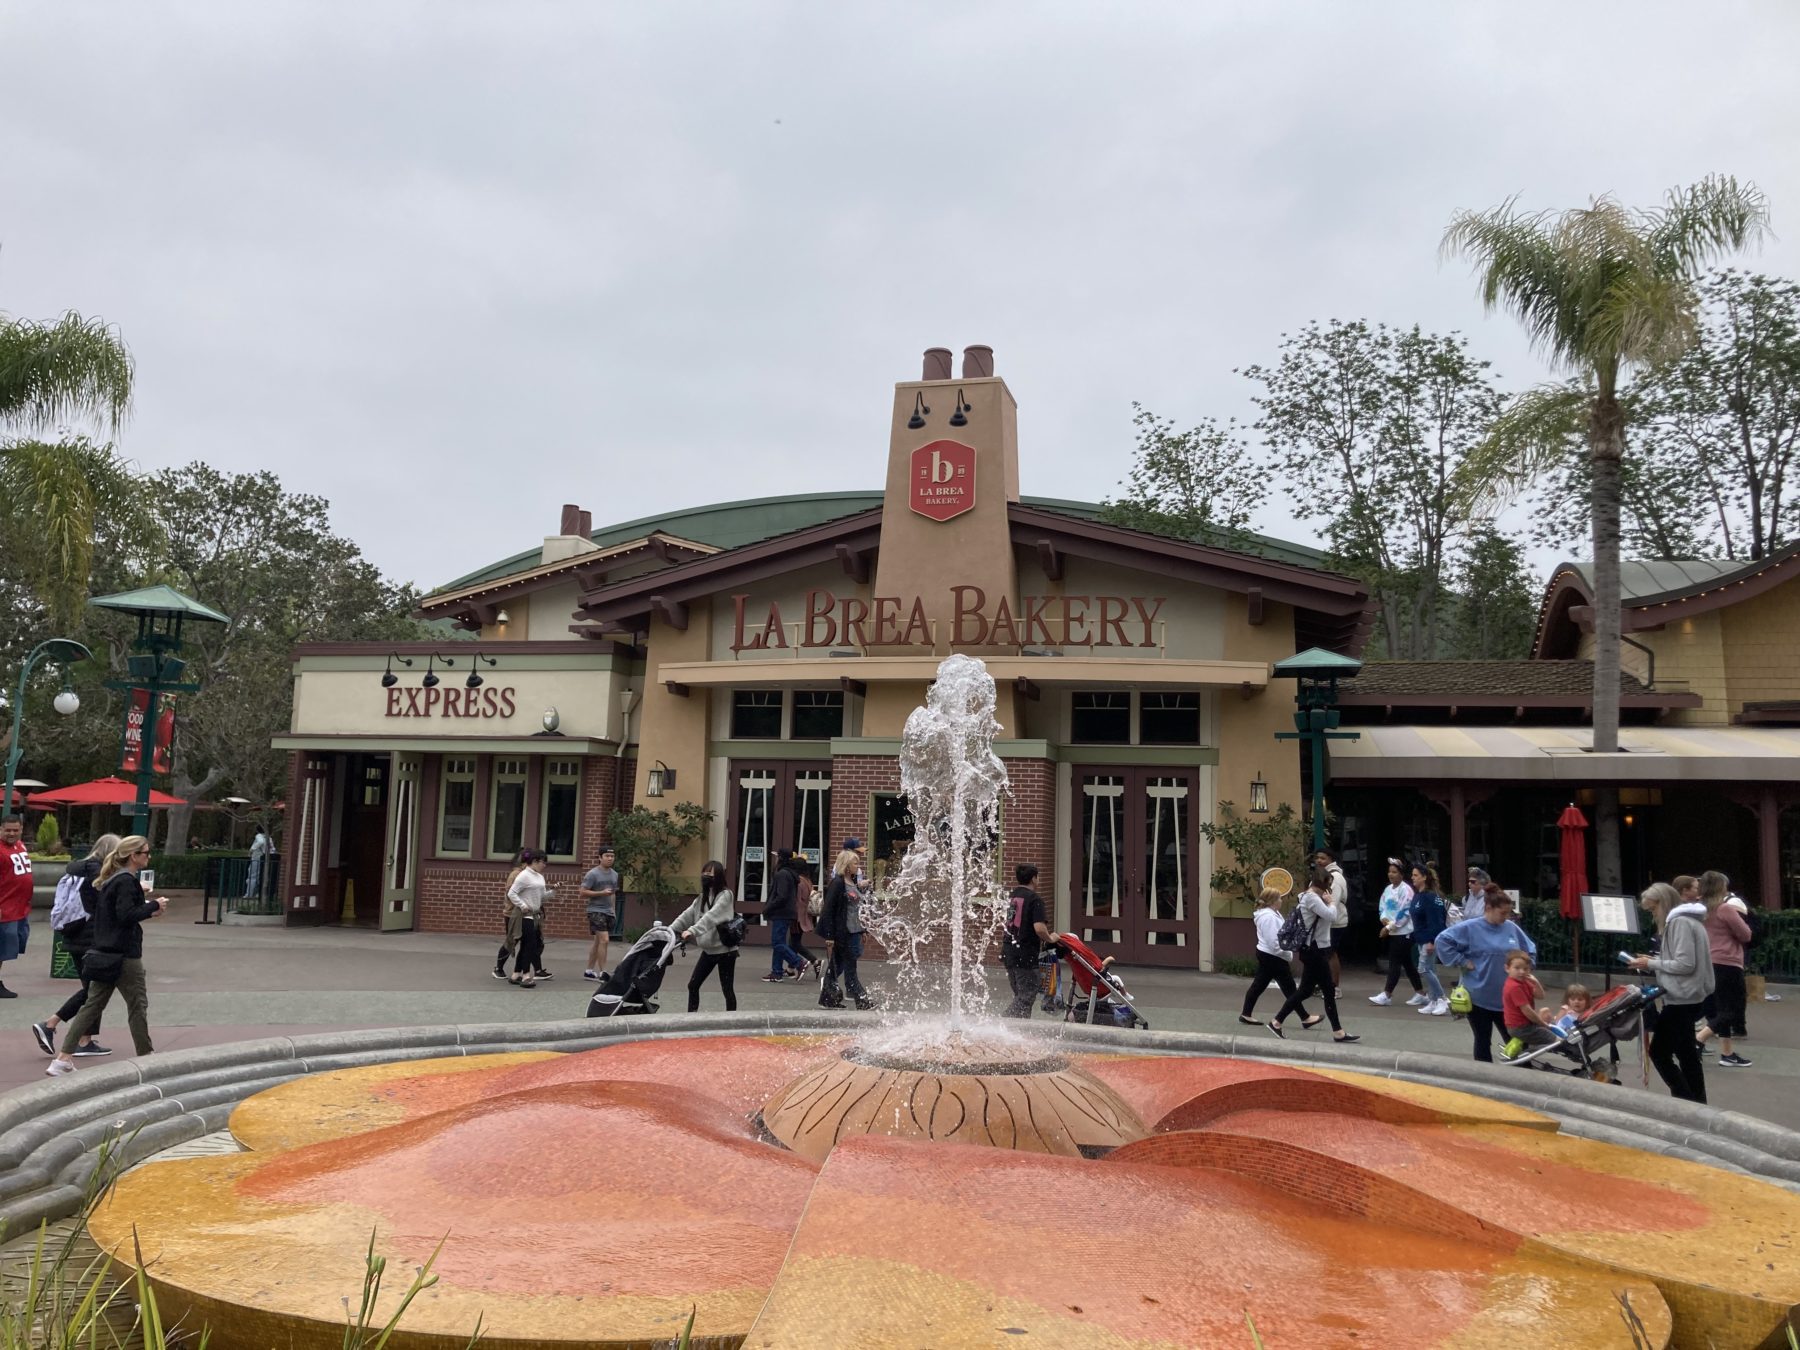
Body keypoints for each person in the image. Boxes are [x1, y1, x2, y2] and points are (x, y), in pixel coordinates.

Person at [47, 836, 168, 1075]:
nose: (149, 856)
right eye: (145, 852)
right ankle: (146, 1056)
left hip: (103, 952)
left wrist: (146, 909)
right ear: (133, 856)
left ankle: (62, 1058)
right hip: (124, 955)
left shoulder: (110, 880)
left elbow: (110, 911)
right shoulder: (126, 881)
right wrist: (153, 906)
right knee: (137, 1005)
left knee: (92, 1005)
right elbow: (126, 915)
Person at [32, 834, 121, 1058]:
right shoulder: (98, 873)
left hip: (73, 934)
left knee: (93, 988)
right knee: (95, 990)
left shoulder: (76, 870)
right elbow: (107, 905)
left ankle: (83, 1038)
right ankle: (53, 1025)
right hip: (91, 938)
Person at [1629, 880, 1713, 1103]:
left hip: (1681, 997)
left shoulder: (1679, 924)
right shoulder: (1690, 922)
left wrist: (1652, 964)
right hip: (1689, 995)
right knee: (1686, 1053)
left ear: (1662, 904)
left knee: (1659, 1052)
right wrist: (1655, 960)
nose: (1653, 914)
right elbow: (1683, 961)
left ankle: (1684, 1098)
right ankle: (1697, 1100)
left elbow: (1685, 964)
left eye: (1653, 909)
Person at [1432, 883, 1536, 1062]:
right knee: (1482, 1040)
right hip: (1478, 995)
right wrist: (1462, 961)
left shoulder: (1511, 928)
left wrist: (1527, 967)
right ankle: (1483, 1080)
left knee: (1517, 1042)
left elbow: (1530, 950)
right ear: (1488, 908)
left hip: (1509, 998)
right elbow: (1442, 940)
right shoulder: (1470, 927)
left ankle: (1523, 1078)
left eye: (1508, 913)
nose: (1506, 917)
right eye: (1503, 913)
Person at [1267, 866, 1357, 1042]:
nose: (1329, 889)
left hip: (1314, 949)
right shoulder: (1312, 899)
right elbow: (1331, 915)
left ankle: (1277, 1022)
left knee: (1306, 990)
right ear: (1320, 883)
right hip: (1315, 950)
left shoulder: (1310, 896)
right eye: (1328, 885)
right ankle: (1337, 1032)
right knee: (1327, 990)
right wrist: (1331, 902)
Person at [1694, 870, 1752, 1068]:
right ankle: (1698, 1039)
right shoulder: (1725, 908)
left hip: (1706, 961)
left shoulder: (1698, 909)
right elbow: (1745, 934)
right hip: (1728, 961)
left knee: (1716, 1009)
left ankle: (1727, 1053)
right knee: (1733, 1010)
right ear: (1721, 887)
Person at [1239, 885, 1310, 1026]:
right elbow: (1274, 941)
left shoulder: (1271, 914)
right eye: (1279, 898)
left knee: (1260, 984)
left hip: (1269, 954)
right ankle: (1304, 1017)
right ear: (1272, 901)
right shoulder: (1268, 917)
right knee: (1288, 987)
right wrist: (1285, 953)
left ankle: (1246, 1013)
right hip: (1273, 956)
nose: (1281, 900)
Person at [674, 860, 738, 1012]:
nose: (705, 876)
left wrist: (692, 931)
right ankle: (691, 1018)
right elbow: (686, 915)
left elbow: (711, 917)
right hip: (708, 951)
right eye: (704, 873)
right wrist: (669, 931)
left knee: (727, 989)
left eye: (710, 874)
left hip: (725, 951)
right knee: (693, 985)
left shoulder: (726, 895)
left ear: (719, 876)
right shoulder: (702, 897)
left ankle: (732, 1020)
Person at [818, 847, 873, 1011]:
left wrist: (863, 930)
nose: (858, 866)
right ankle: (861, 999)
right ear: (847, 865)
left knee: (837, 966)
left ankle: (828, 999)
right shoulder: (838, 884)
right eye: (855, 863)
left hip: (854, 931)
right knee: (850, 965)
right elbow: (829, 910)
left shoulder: (853, 883)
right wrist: (829, 935)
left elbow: (856, 910)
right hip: (843, 933)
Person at [1002, 863, 1057, 1018]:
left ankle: (1016, 1031)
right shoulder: (1034, 899)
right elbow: (1039, 928)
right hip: (1025, 955)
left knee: (1020, 994)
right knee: (1026, 997)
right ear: (1034, 878)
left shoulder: (1012, 896)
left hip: (1008, 952)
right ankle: (1003, 1027)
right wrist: (1051, 938)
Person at [1370, 858, 1423, 1007]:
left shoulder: (1406, 890)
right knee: (1407, 963)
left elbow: (1405, 912)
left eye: (1394, 872)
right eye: (1389, 871)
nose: (1391, 874)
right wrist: (1384, 919)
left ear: (1401, 874)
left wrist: (1389, 927)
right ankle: (1420, 992)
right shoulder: (1388, 889)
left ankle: (1387, 994)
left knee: (1395, 962)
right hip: (1393, 931)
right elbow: (1382, 906)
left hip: (1404, 931)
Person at [760, 850, 812, 984]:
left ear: (781, 858)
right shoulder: (790, 874)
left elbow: (781, 896)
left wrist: (769, 907)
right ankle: (776, 972)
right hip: (786, 912)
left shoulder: (782, 874)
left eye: (776, 857)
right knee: (780, 942)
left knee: (777, 943)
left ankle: (799, 962)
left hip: (781, 912)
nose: (775, 859)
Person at [1407, 862, 1450, 1016]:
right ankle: (1433, 1000)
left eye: (1416, 875)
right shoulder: (1418, 895)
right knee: (1430, 969)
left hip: (1429, 939)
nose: (1412, 878)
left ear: (1424, 877)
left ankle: (1442, 998)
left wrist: (1432, 940)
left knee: (1424, 968)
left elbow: (1437, 921)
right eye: (1412, 875)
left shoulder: (1432, 897)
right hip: (1420, 938)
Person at [505, 850, 553, 988]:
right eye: (543, 862)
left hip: (535, 915)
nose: (545, 865)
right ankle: (526, 975)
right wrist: (522, 905)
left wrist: (553, 891)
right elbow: (512, 893)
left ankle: (516, 974)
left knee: (526, 946)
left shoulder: (539, 877)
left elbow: (542, 896)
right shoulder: (524, 876)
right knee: (529, 945)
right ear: (535, 861)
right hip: (524, 916)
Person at [1500, 952, 1558, 1057]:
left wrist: (1536, 982)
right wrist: (1542, 1024)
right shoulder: (1514, 987)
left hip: (1523, 1025)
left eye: (1526, 969)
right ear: (1507, 968)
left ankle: (1518, 1045)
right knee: (1557, 1040)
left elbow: (1541, 996)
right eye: (1517, 968)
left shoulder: (1523, 982)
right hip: (1521, 1027)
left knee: (1548, 1032)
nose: (1522, 972)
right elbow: (1527, 1011)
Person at [0, 814, 33, 999]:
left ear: (21, 829)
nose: (11, 833)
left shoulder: (20, 846)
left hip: (20, 908)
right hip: (4, 909)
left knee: (9, 947)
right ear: (1, 830)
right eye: (7, 830)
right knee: (2, 947)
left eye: (15, 830)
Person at [579, 845, 620, 981]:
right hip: (595, 910)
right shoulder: (593, 874)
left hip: (608, 911)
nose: (610, 859)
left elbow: (613, 894)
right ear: (600, 858)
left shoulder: (614, 874)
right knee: (605, 940)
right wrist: (600, 893)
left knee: (598, 942)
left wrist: (613, 910)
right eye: (607, 856)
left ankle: (589, 971)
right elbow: (583, 892)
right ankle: (603, 973)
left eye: (612, 856)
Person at [1312, 848, 1349, 994]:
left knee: (1330, 952)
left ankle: (1334, 987)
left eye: (1323, 858)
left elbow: (1332, 899)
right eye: (1317, 858)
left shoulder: (1336, 877)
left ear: (1331, 860)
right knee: (1322, 953)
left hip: (1335, 921)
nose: (1319, 861)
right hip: (1323, 919)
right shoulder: (1321, 874)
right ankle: (1322, 984)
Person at [493, 849, 528, 980]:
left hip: (521, 913)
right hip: (512, 913)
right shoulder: (516, 874)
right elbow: (510, 894)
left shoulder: (524, 874)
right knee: (511, 941)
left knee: (527, 942)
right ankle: (498, 967)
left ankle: (524, 970)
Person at [243, 829, 271, 899]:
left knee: (252, 876)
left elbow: (260, 842)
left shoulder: (259, 836)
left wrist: (251, 850)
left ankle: (249, 894)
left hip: (256, 858)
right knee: (260, 877)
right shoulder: (269, 838)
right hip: (264, 859)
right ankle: (257, 893)